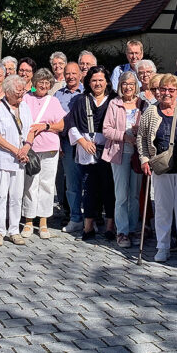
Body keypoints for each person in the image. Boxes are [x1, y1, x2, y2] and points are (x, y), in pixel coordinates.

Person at [137, 73, 177, 262]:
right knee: (162, 209)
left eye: (171, 90)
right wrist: (144, 159)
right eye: (163, 89)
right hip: (161, 169)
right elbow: (141, 137)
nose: (167, 93)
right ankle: (162, 246)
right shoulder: (151, 112)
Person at [68, 65, 116, 240]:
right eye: (94, 80)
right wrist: (82, 142)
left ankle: (110, 225)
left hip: (108, 149)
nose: (97, 83)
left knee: (108, 188)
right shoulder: (81, 100)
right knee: (89, 188)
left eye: (100, 80)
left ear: (107, 82)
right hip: (86, 149)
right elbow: (71, 124)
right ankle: (88, 226)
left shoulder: (113, 100)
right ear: (89, 82)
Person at [0, 75, 35, 246]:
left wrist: (26, 148)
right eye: (18, 91)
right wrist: (16, 150)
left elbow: (30, 130)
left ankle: (14, 230)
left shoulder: (25, 107)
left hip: (20, 159)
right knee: (0, 196)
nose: (21, 94)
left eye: (23, 91)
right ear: (7, 92)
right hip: (1, 158)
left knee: (16, 196)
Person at [21, 68, 66, 239]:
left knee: (46, 184)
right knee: (30, 183)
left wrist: (45, 126)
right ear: (35, 83)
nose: (44, 85)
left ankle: (44, 222)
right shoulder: (26, 98)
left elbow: (61, 125)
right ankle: (28, 221)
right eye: (41, 82)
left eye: (47, 83)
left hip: (49, 146)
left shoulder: (53, 101)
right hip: (31, 147)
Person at [102, 71, 145, 248]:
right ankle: (122, 231)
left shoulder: (143, 104)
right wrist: (124, 136)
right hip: (119, 153)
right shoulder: (114, 103)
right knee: (121, 195)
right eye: (125, 83)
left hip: (137, 154)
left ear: (136, 86)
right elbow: (106, 129)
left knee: (135, 195)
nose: (128, 87)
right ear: (120, 85)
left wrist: (139, 132)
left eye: (131, 84)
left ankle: (134, 229)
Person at [55, 61, 85, 232]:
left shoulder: (87, 93)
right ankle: (75, 217)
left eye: (74, 73)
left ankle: (90, 216)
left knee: (89, 182)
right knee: (71, 183)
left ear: (80, 74)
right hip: (66, 142)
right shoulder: (58, 95)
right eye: (68, 73)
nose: (71, 76)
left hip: (86, 142)